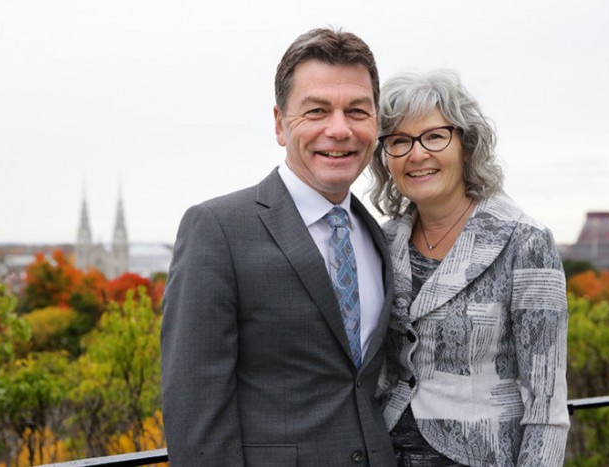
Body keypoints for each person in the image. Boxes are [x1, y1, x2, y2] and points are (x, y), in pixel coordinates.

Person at [161, 28, 396, 466]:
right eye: (317, 110)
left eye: (357, 111)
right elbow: (196, 417)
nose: (340, 129)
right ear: (280, 124)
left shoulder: (377, 237)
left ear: (376, 123)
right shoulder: (217, 230)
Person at [369, 69, 570, 466]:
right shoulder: (381, 241)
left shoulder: (524, 240)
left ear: (466, 144)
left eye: (434, 136)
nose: (417, 154)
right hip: (383, 453)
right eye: (399, 141)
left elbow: (545, 402)